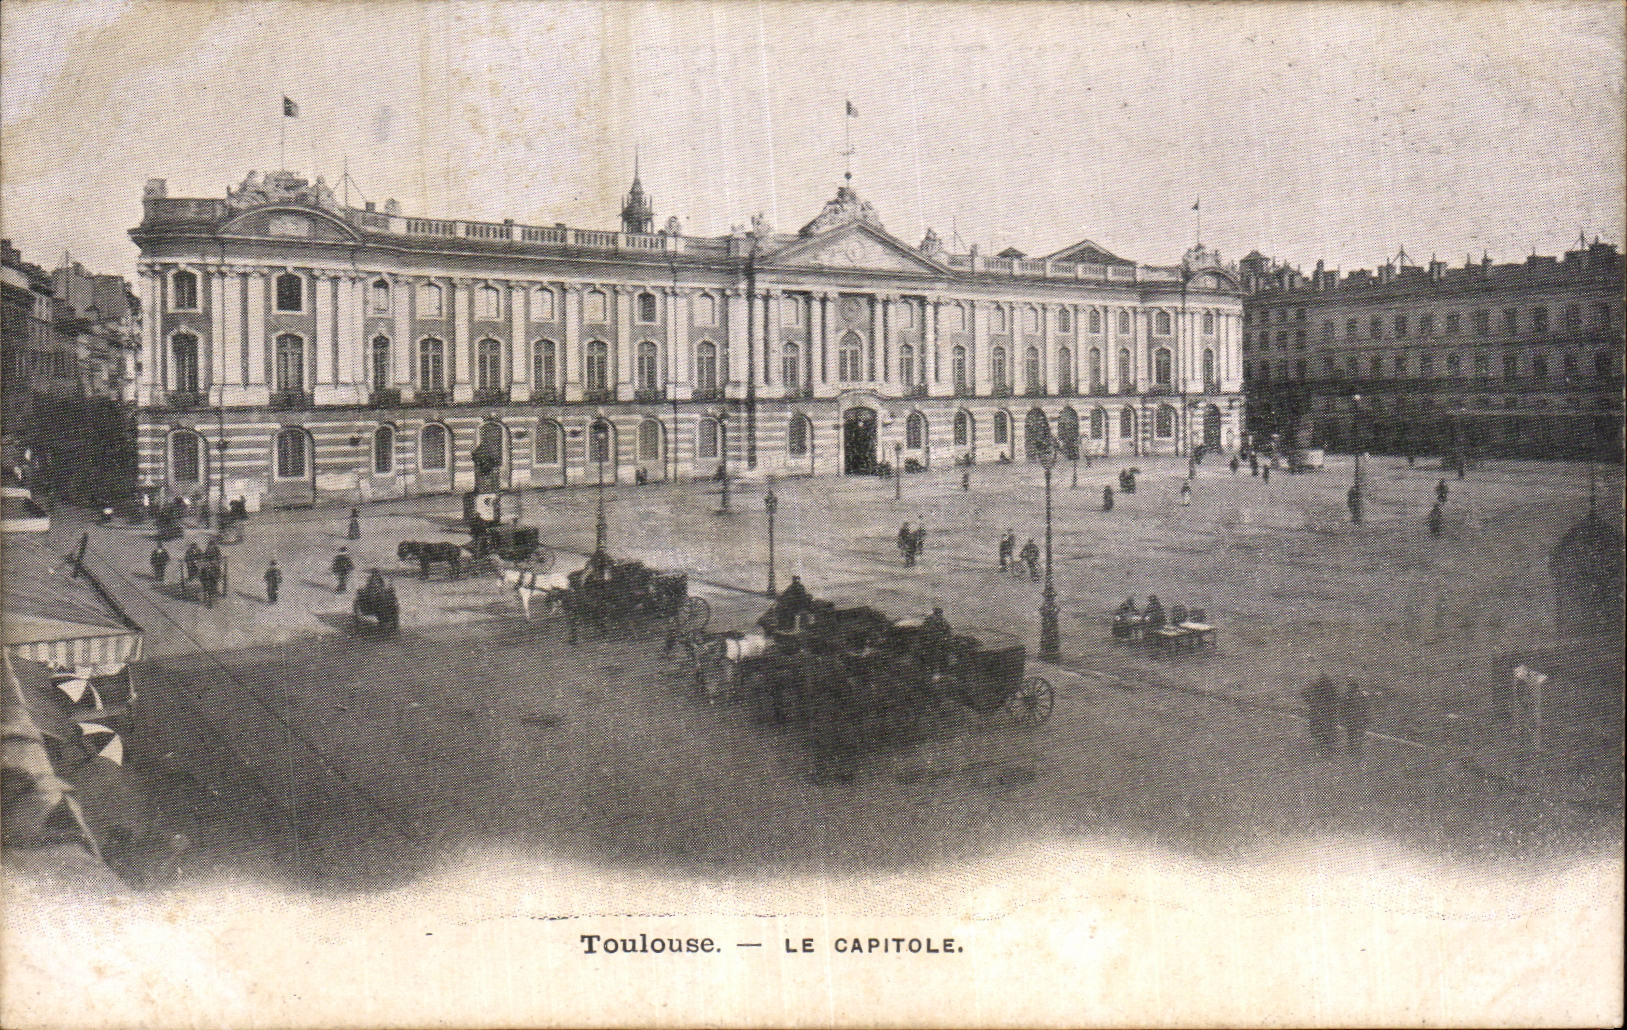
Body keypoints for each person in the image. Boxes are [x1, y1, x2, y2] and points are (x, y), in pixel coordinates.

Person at [1302, 674, 1340, 753]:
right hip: (1327, 714)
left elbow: (1304, 693)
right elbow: (1337, 700)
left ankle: (1323, 746)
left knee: (1319, 730)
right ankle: (1327, 746)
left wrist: (1310, 702)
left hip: (1318, 713)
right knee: (1327, 730)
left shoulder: (1317, 689)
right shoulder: (1331, 690)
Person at [1340, 681, 1372, 756]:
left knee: (1352, 734)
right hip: (1358, 719)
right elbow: (1365, 707)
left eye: (1349, 687)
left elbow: (1344, 706)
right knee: (1356, 734)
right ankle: (1355, 749)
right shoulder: (1361, 695)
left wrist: (1344, 714)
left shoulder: (1350, 695)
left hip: (1353, 718)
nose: (1348, 688)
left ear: (1353, 688)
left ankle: (1352, 750)